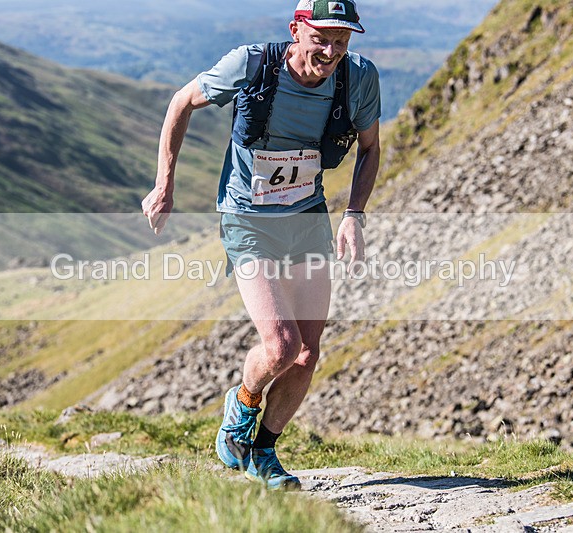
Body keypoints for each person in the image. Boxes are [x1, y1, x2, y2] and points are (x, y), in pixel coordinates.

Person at [142, 0, 380, 490]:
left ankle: (262, 453)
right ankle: (242, 407)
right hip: (247, 218)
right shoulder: (252, 64)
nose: (331, 52)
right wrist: (164, 183)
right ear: (297, 29)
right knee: (282, 344)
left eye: (342, 41)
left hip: (307, 217)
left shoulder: (358, 78)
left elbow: (371, 148)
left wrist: (354, 215)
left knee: (307, 355)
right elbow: (180, 102)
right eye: (321, 39)